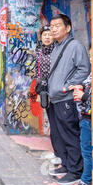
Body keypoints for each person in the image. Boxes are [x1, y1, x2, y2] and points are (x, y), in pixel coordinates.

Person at [47, 14, 91, 185]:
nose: (53, 28)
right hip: (55, 99)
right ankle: (66, 164)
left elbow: (84, 69)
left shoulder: (75, 46)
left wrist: (67, 85)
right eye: (51, 26)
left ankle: (75, 171)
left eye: (57, 25)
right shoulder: (56, 47)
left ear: (68, 28)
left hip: (66, 99)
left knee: (70, 136)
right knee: (59, 136)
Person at [30, 25, 60, 165]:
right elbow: (38, 73)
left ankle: (62, 154)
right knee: (52, 123)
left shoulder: (58, 51)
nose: (47, 37)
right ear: (41, 37)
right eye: (44, 35)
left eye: (49, 34)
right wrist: (38, 91)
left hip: (58, 92)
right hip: (45, 93)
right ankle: (57, 153)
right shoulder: (39, 52)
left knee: (60, 124)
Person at [69, 73, 92, 185]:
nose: (91, 58)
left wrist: (84, 96)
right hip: (85, 117)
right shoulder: (92, 74)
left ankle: (86, 180)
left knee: (87, 152)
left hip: (90, 118)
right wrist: (79, 87)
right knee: (86, 151)